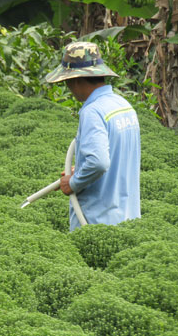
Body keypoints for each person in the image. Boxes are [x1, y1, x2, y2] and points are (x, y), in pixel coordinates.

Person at [46, 41, 141, 231]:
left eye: (67, 82)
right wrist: (81, 167)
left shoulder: (92, 111)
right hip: (129, 218)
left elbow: (98, 162)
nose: (69, 88)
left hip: (98, 222)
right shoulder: (122, 105)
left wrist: (73, 182)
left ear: (77, 80)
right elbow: (115, 155)